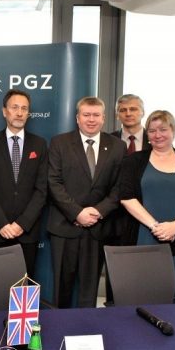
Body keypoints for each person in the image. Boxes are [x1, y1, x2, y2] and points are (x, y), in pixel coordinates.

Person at [47, 97, 126, 308]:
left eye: (96, 115)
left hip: (99, 228)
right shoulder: (59, 143)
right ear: (77, 118)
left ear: (103, 118)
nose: (91, 119)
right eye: (86, 114)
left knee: (89, 292)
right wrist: (77, 213)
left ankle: (86, 328)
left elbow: (120, 187)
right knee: (61, 289)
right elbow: (53, 182)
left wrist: (98, 212)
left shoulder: (118, 146)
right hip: (65, 228)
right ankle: (59, 326)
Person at [119, 110, 175, 300]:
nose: (158, 135)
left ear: (173, 131)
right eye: (152, 130)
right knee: (139, 296)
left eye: (163, 129)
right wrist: (156, 226)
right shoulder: (134, 161)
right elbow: (126, 197)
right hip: (141, 239)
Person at [0, 89, 48, 278]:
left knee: (23, 289)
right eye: (14, 107)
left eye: (24, 108)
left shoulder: (39, 144)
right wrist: (2, 223)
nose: (19, 113)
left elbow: (41, 190)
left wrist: (21, 224)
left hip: (27, 233)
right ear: (4, 111)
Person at [106, 93, 151, 302]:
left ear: (142, 112)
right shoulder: (107, 141)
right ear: (117, 114)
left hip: (147, 219)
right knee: (115, 278)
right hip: (114, 219)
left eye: (133, 109)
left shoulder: (156, 139)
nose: (128, 113)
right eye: (123, 110)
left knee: (146, 276)